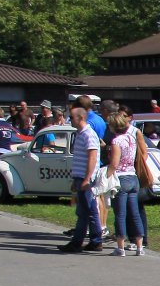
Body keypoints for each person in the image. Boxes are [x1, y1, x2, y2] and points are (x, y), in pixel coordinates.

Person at [59, 106, 102, 253]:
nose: (69, 120)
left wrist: (87, 178)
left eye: (71, 117)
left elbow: (93, 157)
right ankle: (95, 241)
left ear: (81, 118)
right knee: (87, 210)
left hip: (86, 178)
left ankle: (79, 242)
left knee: (85, 211)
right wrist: (75, 179)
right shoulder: (79, 134)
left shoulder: (88, 134)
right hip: (80, 177)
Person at [104, 111, 145, 256]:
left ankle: (120, 247)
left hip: (121, 178)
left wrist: (106, 176)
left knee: (120, 214)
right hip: (133, 177)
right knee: (134, 213)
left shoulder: (116, 141)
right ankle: (139, 246)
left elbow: (114, 163)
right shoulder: (130, 138)